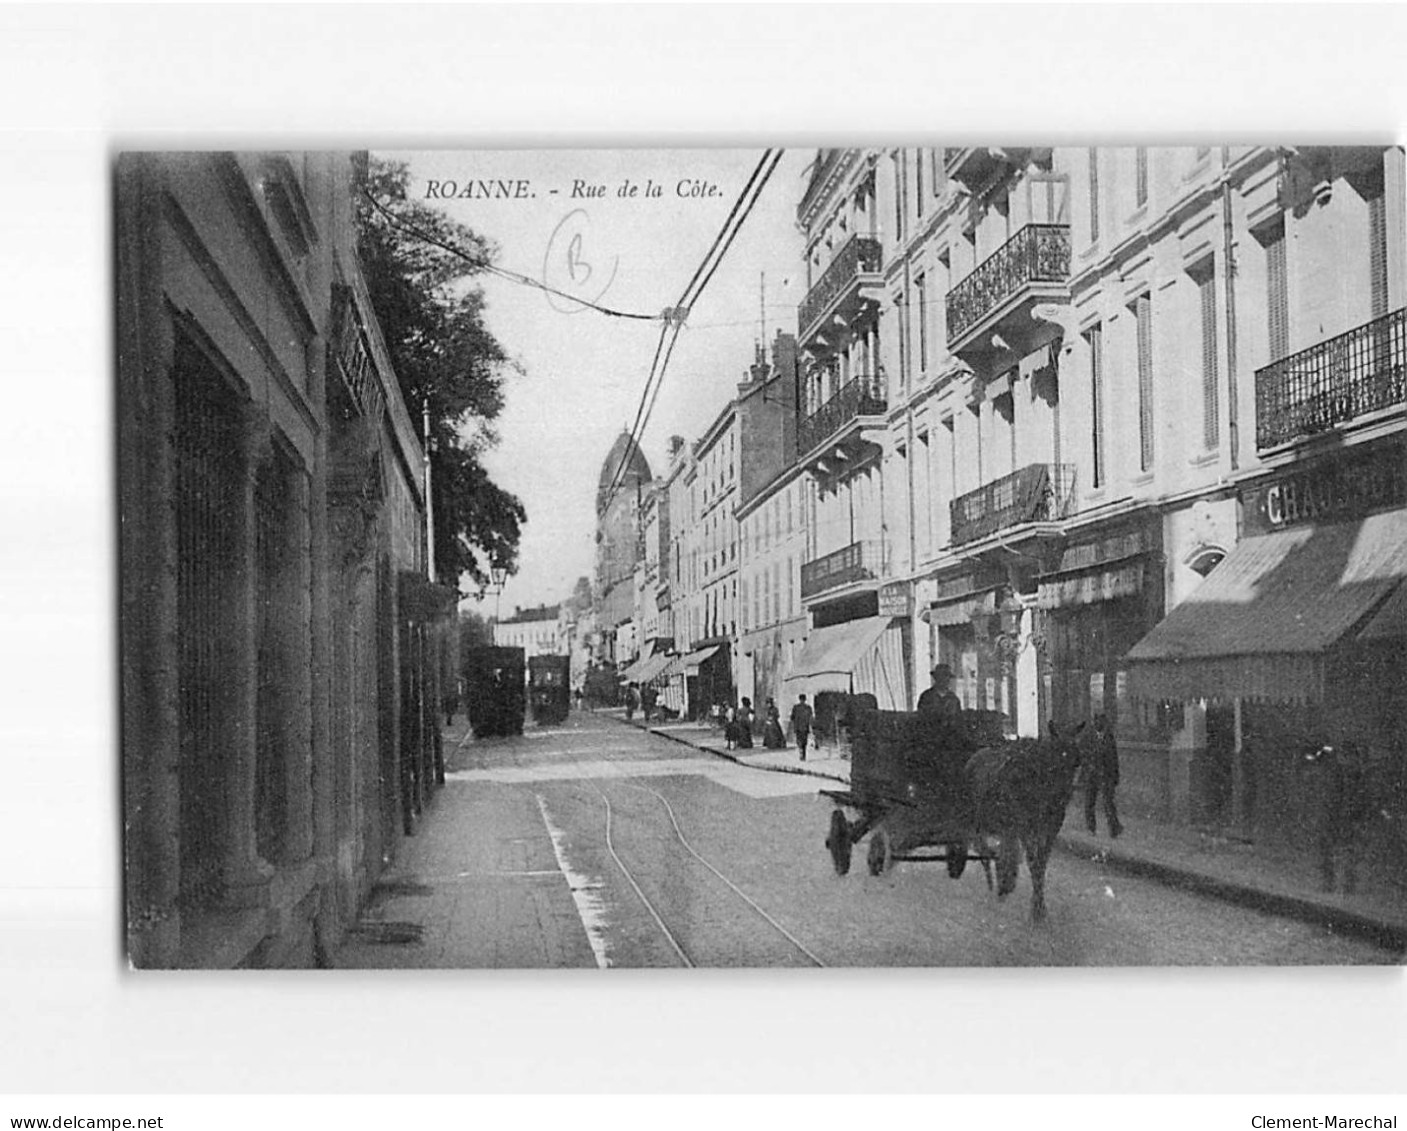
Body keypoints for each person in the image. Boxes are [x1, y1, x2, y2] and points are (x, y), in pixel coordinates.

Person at [1083, 713, 1123, 839]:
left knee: (1108, 803)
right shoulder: (1089, 737)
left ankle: (1114, 828)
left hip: (1106, 775)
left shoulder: (1109, 738)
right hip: (1092, 774)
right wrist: (1087, 769)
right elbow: (1084, 754)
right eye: (1097, 721)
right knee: (1089, 802)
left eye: (1102, 721)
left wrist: (1115, 776)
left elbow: (1114, 758)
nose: (1099, 724)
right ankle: (1091, 827)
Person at [790, 694, 814, 761]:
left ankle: (800, 751)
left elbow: (792, 717)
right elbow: (811, 718)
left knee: (799, 740)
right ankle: (803, 754)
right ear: (805, 699)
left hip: (798, 727)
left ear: (799, 699)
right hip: (805, 727)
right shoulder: (808, 708)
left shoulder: (796, 707)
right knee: (804, 742)